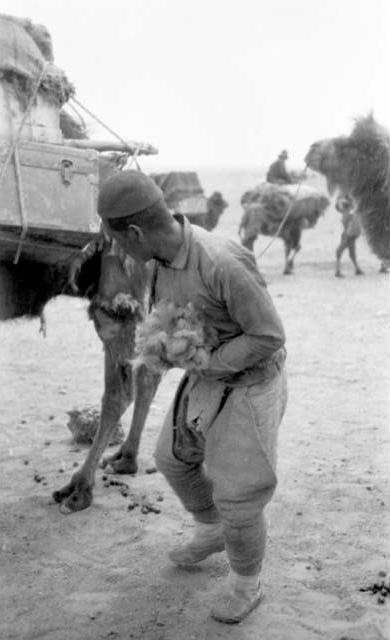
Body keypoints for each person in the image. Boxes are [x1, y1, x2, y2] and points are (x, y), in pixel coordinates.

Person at [97, 170, 288, 624]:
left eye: (120, 241)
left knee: (240, 495)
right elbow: (180, 312)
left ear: (137, 232)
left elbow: (270, 336)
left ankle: (247, 582)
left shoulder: (220, 261)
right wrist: (163, 342)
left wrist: (207, 361)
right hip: (210, 373)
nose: (120, 251)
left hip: (252, 381)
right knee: (170, 457)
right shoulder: (160, 258)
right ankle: (210, 529)